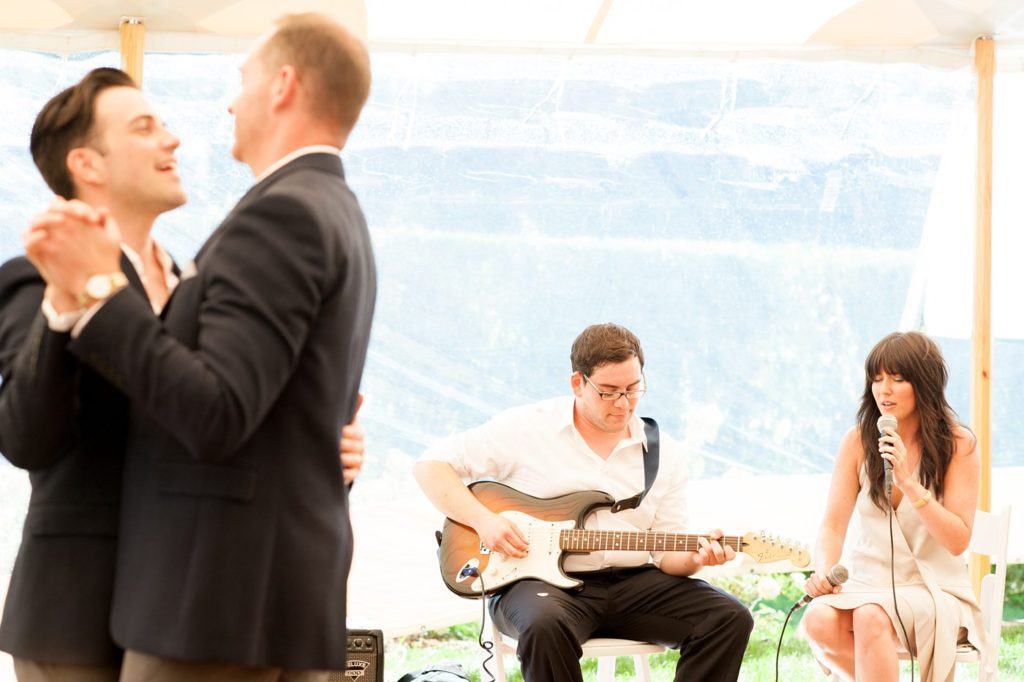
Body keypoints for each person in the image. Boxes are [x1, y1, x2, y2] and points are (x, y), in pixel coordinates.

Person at [22, 12, 376, 681]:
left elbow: (217, 409)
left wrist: (99, 295)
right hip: (95, 600)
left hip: (211, 599)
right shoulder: (326, 209)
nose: (225, 103)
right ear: (85, 164)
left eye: (241, 80)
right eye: (145, 126)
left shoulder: (279, 214)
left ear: (282, 87)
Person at [413, 323, 753, 682]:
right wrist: (484, 521)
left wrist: (696, 558)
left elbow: (668, 554)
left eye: (633, 389)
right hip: (537, 587)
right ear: (578, 383)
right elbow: (430, 466)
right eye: (608, 392)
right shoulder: (527, 428)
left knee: (728, 617)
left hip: (632, 584)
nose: (624, 403)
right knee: (545, 625)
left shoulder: (663, 452)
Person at [801, 331, 986, 682]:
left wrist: (909, 483)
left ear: (924, 383)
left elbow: (958, 540)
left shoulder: (959, 443)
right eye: (877, 379)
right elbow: (832, 526)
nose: (883, 390)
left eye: (897, 379)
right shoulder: (857, 440)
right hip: (868, 582)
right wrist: (826, 572)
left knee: (871, 615)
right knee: (817, 619)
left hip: (933, 587)